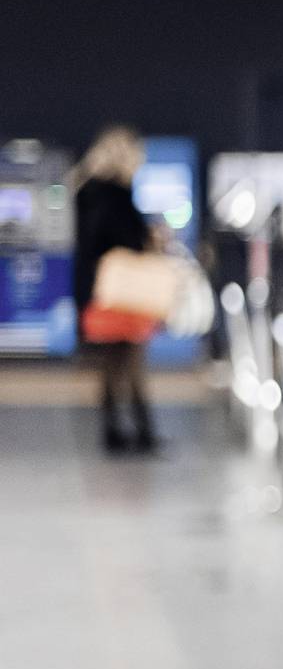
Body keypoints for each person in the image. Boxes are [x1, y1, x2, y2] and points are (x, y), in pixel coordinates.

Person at [70, 126, 161, 456]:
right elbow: (122, 241)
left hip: (99, 292)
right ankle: (143, 432)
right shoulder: (114, 196)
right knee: (132, 363)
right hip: (122, 293)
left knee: (112, 366)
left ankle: (116, 432)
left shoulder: (86, 192)